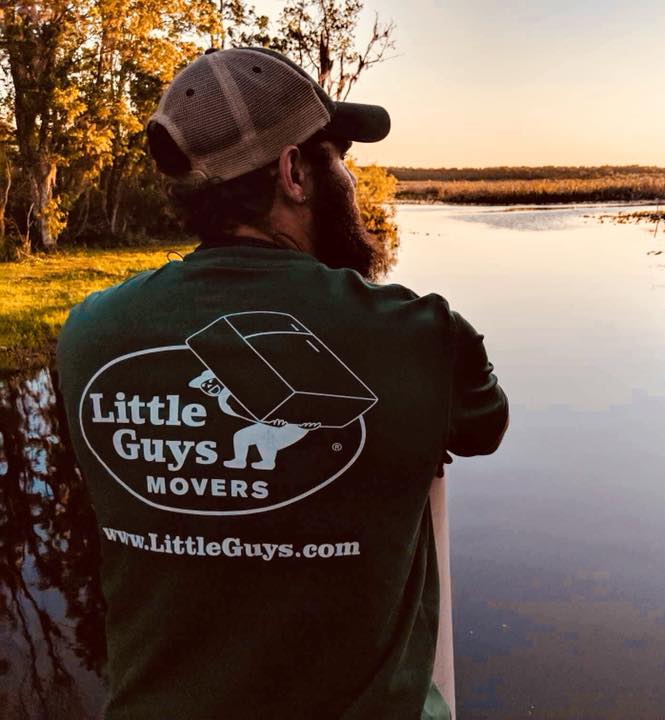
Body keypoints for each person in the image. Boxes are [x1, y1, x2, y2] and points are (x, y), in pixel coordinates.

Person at [56, 46, 508, 720]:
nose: (350, 181)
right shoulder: (422, 335)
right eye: (338, 157)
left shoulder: (89, 332)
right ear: (294, 172)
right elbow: (481, 429)